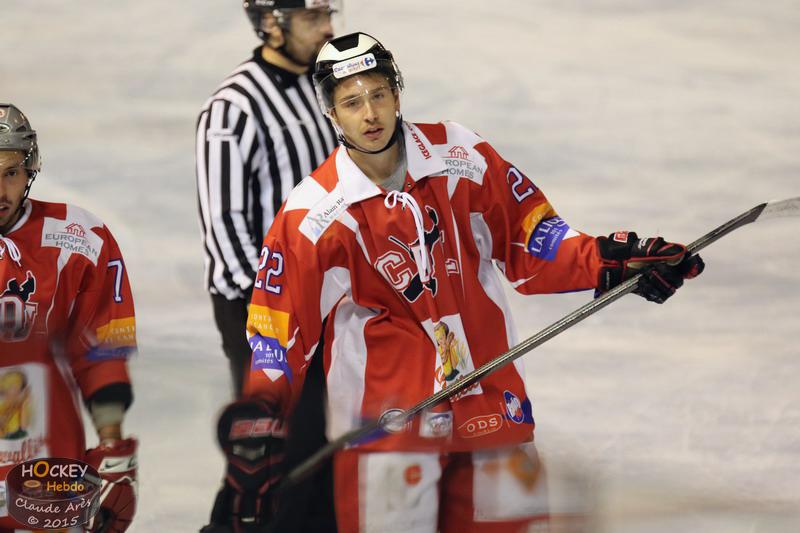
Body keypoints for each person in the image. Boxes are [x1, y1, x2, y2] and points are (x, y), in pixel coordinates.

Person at [236, 32, 707, 532]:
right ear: (331, 113)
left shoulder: (462, 155)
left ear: (397, 93)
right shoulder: (313, 215)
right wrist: (261, 422)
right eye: (351, 102)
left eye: (378, 94)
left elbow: (533, 242)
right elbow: (278, 333)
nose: (369, 114)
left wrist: (614, 261)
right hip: (389, 434)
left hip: (492, 408)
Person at [196, 2, 340, 531]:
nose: (328, 29)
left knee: (318, 443)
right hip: (262, 308)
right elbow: (225, 226)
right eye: (313, 18)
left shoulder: (316, 86)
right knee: (273, 449)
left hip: (321, 298)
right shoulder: (233, 107)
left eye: (329, 14)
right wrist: (274, 313)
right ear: (272, 23)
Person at [0, 103, 137, 532]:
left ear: (30, 170)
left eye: (9, 172)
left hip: (48, 473)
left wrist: (112, 443)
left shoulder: (80, 239)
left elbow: (101, 349)